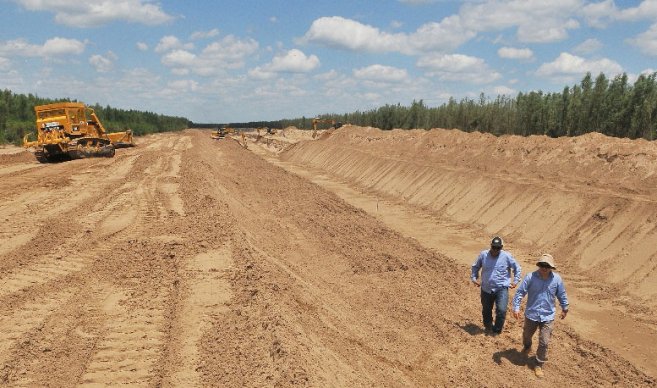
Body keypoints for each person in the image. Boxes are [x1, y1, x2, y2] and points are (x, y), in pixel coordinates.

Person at [512, 253, 569, 379]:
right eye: (542, 265)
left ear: (551, 267)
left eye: (547, 265)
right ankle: (527, 346)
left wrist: (565, 308)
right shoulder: (530, 277)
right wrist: (516, 307)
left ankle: (538, 364)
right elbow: (520, 292)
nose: (544, 268)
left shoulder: (557, 279)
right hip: (531, 314)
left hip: (548, 316)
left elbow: (562, 294)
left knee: (544, 342)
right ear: (539, 265)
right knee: (527, 335)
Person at [471, 236, 522, 335]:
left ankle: (497, 330)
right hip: (486, 288)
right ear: (491, 246)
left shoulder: (507, 256)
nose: (495, 250)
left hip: (501, 288)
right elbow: (475, 266)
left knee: (502, 310)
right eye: (493, 247)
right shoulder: (483, 255)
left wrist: (515, 281)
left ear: (501, 247)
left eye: (498, 248)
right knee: (486, 310)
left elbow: (517, 268)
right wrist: (474, 278)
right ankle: (488, 326)